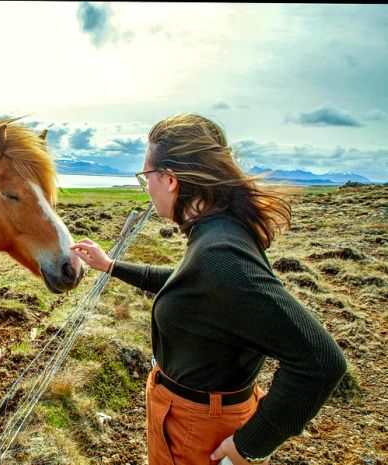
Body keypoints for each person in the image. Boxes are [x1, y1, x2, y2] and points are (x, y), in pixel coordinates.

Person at [70, 114, 347, 465]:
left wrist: (251, 444)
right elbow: (190, 284)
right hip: (187, 417)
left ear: (170, 180)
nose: (147, 188)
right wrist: (110, 266)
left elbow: (321, 361)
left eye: (146, 178)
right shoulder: (216, 237)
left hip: (198, 430)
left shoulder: (220, 253)